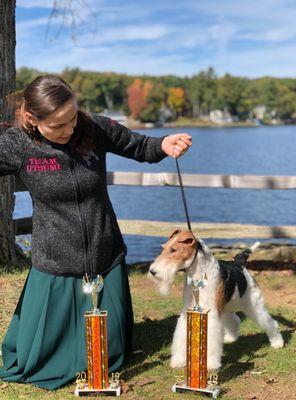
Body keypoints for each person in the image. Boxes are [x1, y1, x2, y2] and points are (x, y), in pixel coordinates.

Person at [0, 75, 192, 390]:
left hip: (105, 254)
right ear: (33, 120)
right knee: (43, 358)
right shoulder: (18, 144)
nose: (70, 129)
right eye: (58, 125)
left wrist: (164, 144)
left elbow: (139, 145)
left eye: (72, 118)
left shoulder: (94, 128)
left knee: (109, 353)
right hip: (55, 263)